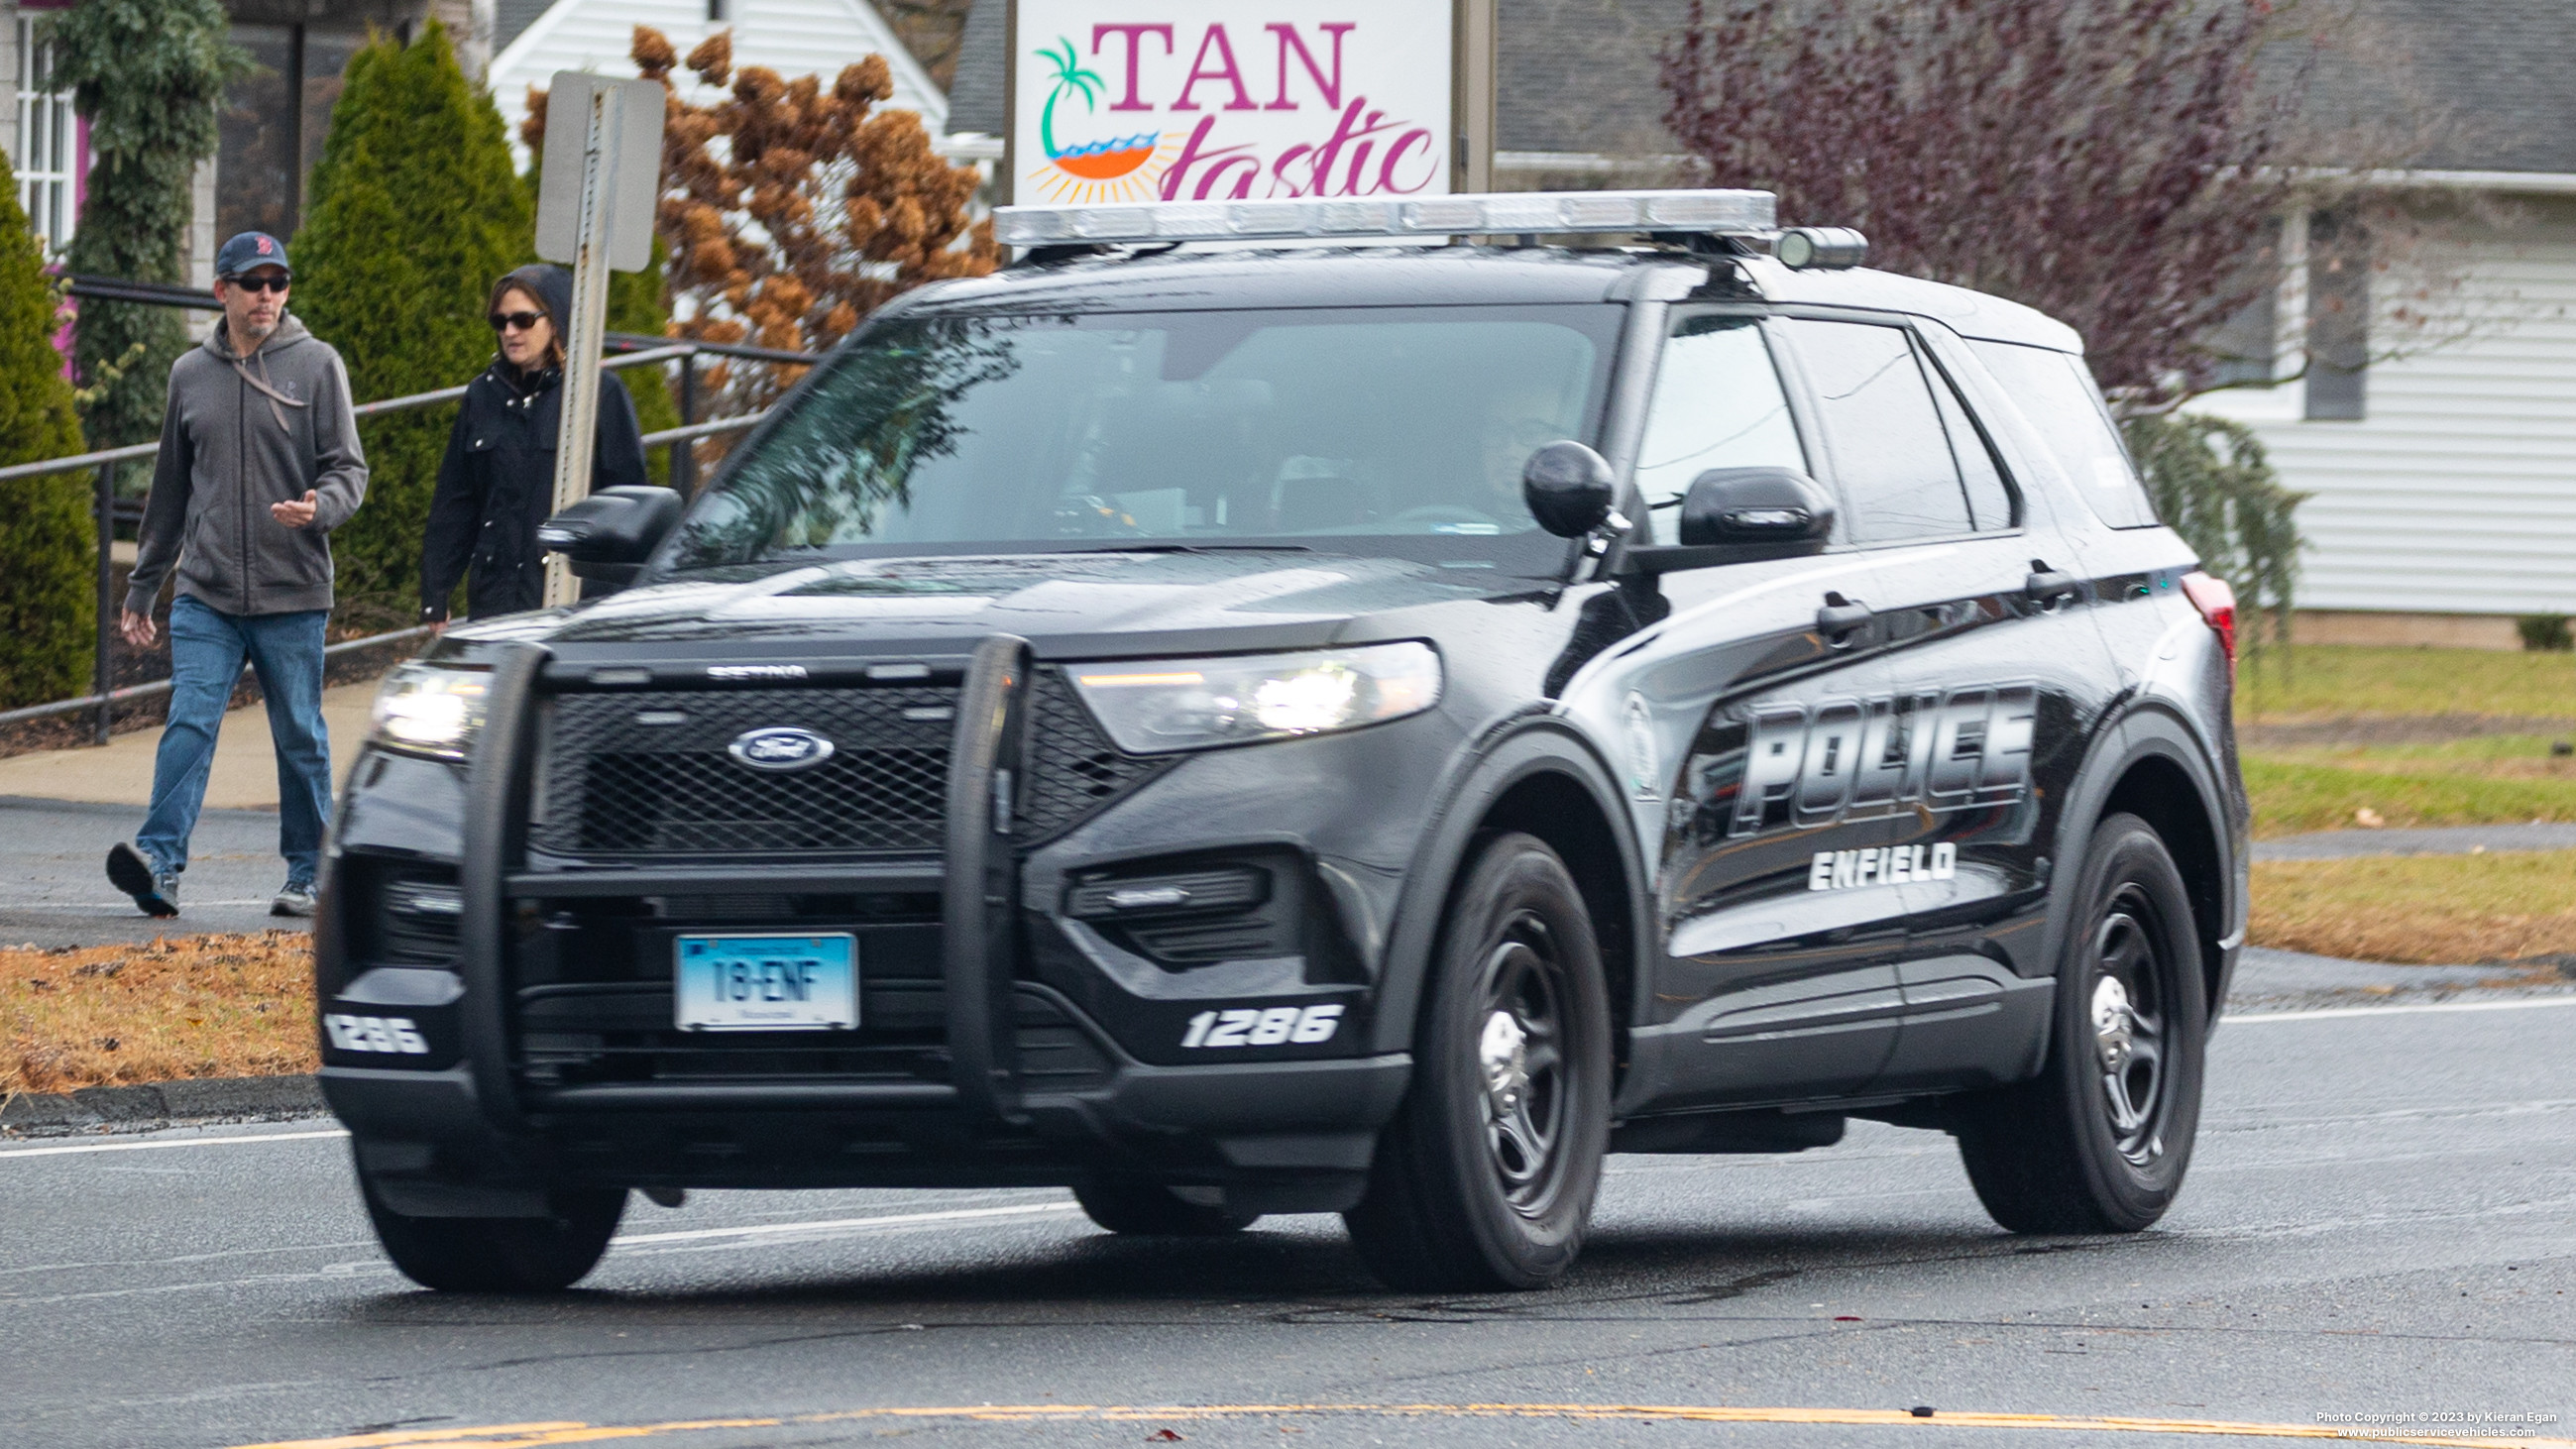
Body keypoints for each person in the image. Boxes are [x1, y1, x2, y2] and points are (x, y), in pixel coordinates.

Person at [105, 232, 369, 920]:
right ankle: (159, 862)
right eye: (253, 282)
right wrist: (143, 585)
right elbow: (168, 490)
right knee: (189, 721)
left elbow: (349, 469)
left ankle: (308, 872)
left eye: (278, 282)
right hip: (208, 591)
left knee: (300, 734)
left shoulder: (317, 366)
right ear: (222, 290)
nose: (268, 295)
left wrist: (319, 508)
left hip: (293, 590)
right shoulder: (190, 375)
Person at [417, 264, 649, 625]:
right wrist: (436, 593)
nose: (510, 331)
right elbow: (455, 502)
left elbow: (630, 503)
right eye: (500, 321)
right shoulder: (482, 396)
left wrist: (620, 599)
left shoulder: (599, 393)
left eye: (523, 320)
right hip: (495, 598)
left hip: (572, 600)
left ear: (554, 320)